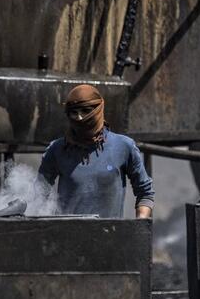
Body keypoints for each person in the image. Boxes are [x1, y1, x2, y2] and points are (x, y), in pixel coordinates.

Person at [37, 84, 154, 219]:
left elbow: (145, 192)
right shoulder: (57, 149)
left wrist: (139, 226)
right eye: (74, 113)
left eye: (86, 111)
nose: (80, 118)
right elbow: (39, 194)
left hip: (111, 236)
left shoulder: (124, 146)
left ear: (98, 110)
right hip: (68, 236)